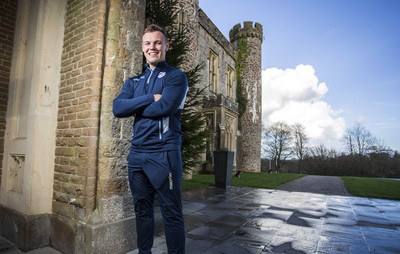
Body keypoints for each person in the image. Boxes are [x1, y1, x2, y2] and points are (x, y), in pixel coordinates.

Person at [112, 24, 187, 254]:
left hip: (164, 153)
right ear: (142, 47)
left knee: (171, 212)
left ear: (166, 45)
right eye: (147, 43)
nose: (152, 47)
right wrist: (150, 98)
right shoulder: (133, 82)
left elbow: (165, 107)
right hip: (137, 155)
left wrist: (134, 107)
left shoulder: (176, 77)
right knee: (142, 210)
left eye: (157, 42)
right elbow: (117, 107)